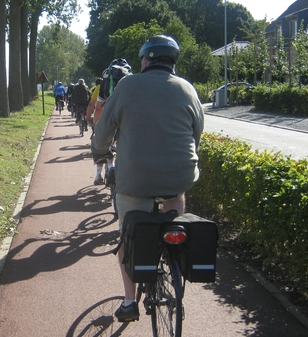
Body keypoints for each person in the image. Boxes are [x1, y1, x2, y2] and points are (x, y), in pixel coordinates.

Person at [91, 35, 204, 322]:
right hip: (179, 176)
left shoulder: (128, 85)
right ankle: (174, 252)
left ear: (145, 60)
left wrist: (101, 153)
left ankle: (130, 302)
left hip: (135, 180)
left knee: (127, 238)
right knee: (174, 198)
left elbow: (103, 131)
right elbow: (196, 134)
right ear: (173, 62)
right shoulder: (188, 89)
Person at [89, 60, 132, 185]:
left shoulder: (105, 84)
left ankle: (100, 174)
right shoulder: (130, 82)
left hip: (110, 118)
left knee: (101, 144)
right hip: (127, 119)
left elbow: (98, 108)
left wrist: (96, 125)